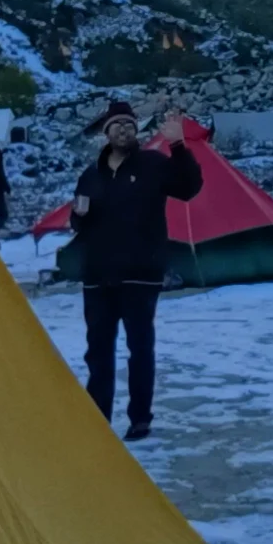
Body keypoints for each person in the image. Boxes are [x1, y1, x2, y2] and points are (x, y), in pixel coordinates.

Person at [70, 99, 204, 437]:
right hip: (98, 278)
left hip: (140, 274)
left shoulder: (153, 164)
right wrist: (79, 216)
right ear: (106, 132)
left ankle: (140, 418)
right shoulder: (90, 176)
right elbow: (78, 223)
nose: (123, 129)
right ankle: (98, 421)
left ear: (135, 130)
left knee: (140, 349)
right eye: (117, 125)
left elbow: (189, 188)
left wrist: (178, 144)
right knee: (98, 352)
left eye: (129, 124)